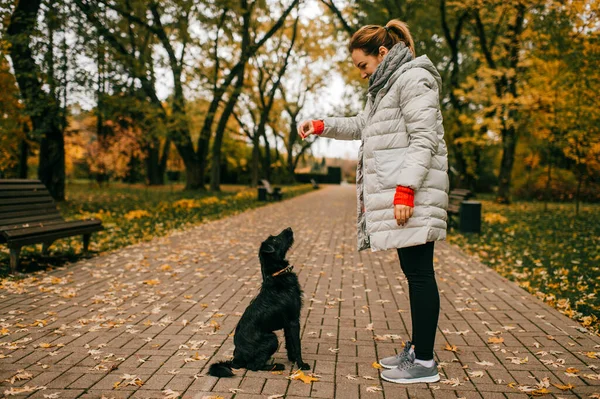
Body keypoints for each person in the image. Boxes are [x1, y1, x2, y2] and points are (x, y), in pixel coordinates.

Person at [299, 20, 448, 384]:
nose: (363, 74)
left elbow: (424, 138)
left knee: (420, 274)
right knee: (415, 273)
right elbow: (361, 125)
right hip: (405, 193)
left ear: (382, 53)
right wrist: (322, 125)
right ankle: (419, 349)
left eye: (363, 66)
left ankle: (425, 363)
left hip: (412, 193)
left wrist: (405, 189)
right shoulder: (386, 87)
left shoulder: (413, 80)